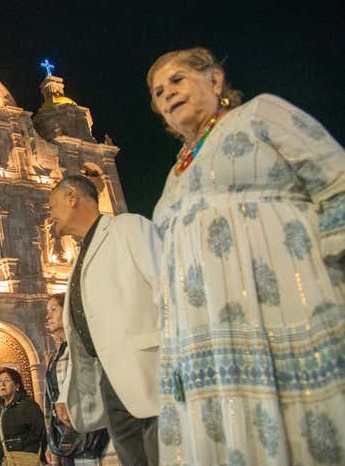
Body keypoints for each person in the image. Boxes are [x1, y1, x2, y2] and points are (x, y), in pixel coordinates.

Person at [148, 47, 345, 465]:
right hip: (207, 339)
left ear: (215, 81)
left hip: (284, 303)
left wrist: (333, 265)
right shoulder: (176, 172)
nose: (167, 94)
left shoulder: (259, 115)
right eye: (158, 91)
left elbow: (335, 179)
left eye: (177, 80)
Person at [48, 175, 160, 466]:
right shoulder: (79, 259)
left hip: (148, 373)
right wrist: (67, 391)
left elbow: (168, 288)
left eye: (53, 206)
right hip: (109, 382)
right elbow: (82, 331)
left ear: (73, 197)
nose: (50, 216)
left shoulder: (129, 228)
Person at [44, 294, 109, 466]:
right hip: (64, 438)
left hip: (89, 433)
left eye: (53, 309)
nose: (48, 316)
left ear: (68, 311)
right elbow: (50, 403)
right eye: (47, 311)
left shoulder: (86, 345)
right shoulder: (56, 356)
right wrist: (51, 442)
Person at [0, 367, 48, 466]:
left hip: (25, 460)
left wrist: (44, 458)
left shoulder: (28, 405)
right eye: (0, 381)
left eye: (7, 380)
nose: (2, 384)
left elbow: (42, 432)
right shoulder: (1, 411)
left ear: (17, 386)